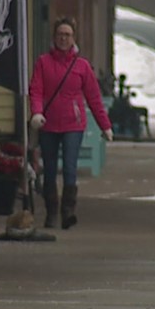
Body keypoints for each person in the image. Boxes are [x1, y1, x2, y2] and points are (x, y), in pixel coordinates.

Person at [29, 17, 113, 229]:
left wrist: (105, 125)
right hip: (48, 124)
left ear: (73, 38)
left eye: (67, 35)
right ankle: (51, 212)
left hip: (72, 125)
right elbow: (36, 90)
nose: (63, 39)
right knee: (49, 169)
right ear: (54, 37)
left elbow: (94, 98)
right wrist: (36, 113)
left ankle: (68, 211)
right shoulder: (43, 62)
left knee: (69, 167)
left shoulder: (82, 66)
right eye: (60, 35)